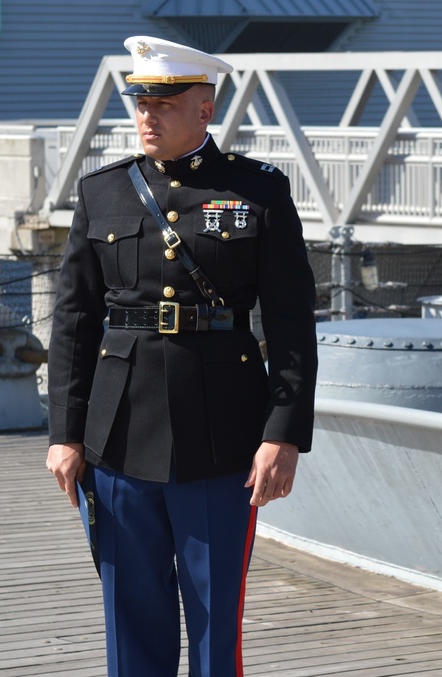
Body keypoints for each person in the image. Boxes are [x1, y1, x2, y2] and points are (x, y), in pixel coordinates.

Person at [45, 35, 318, 676]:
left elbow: (289, 325)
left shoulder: (258, 193)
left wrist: (284, 436)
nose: (147, 115)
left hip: (221, 441)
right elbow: (74, 323)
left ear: (205, 108)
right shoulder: (104, 192)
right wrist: (65, 432)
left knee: (215, 625)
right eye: (140, 101)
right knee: (129, 623)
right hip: (118, 439)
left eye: (164, 103)